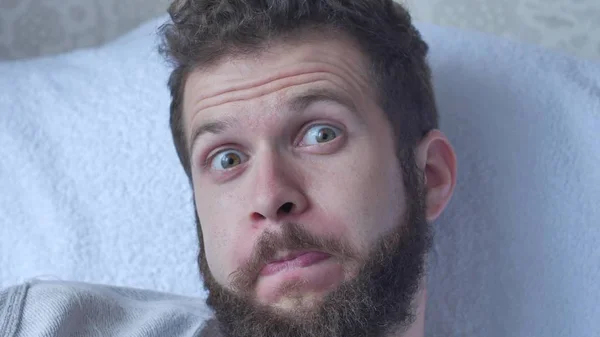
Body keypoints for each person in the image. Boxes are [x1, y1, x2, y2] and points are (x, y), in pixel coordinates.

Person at [0, 1, 456, 336]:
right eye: (228, 159)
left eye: (320, 134)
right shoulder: (47, 323)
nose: (269, 197)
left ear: (429, 177)